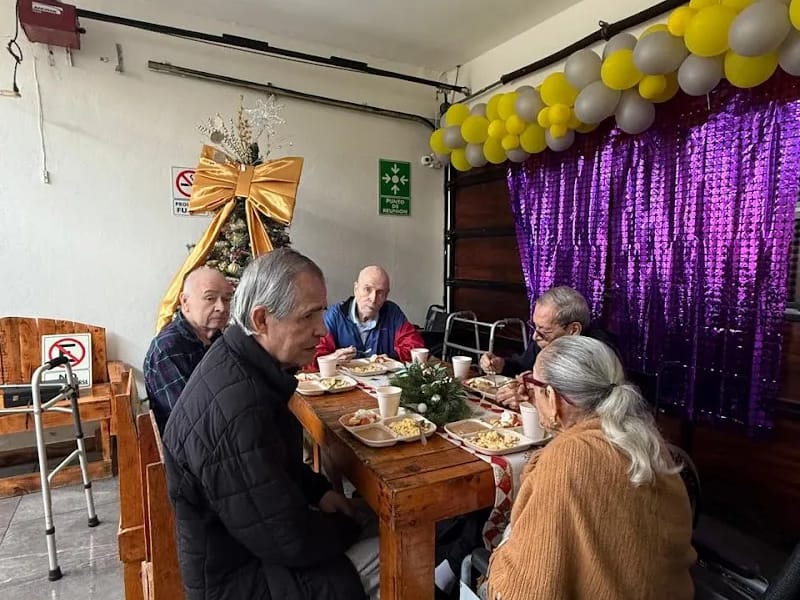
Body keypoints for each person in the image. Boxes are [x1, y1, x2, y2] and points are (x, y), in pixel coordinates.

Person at [162, 249, 379, 600]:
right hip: (242, 580)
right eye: (309, 316)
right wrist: (346, 525)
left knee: (377, 519)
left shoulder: (238, 360)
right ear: (261, 320)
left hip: (248, 546)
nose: (322, 331)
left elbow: (272, 465)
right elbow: (289, 540)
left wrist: (318, 490)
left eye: (322, 313)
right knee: (398, 551)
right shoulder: (237, 410)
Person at [484, 336, 695, 600]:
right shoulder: (647, 438)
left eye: (532, 387)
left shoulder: (568, 458)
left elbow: (525, 590)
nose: (529, 395)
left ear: (552, 397)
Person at [479, 286, 615, 409]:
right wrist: (501, 364)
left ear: (573, 330)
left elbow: (587, 406)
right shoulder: (544, 340)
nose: (535, 336)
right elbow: (523, 365)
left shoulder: (598, 353)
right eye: (535, 326)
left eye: (543, 329)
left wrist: (532, 399)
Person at [143, 266, 232, 433]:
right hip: (191, 446)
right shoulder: (168, 348)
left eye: (226, 299)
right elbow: (190, 419)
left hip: (220, 431)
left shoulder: (217, 338)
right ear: (185, 302)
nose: (221, 307)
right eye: (210, 298)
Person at [316, 265, 424, 363]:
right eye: (367, 289)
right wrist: (332, 359)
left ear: (386, 295)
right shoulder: (335, 315)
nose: (373, 299)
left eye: (380, 293)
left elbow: (415, 347)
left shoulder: (392, 313)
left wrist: (391, 357)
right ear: (356, 289)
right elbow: (313, 357)